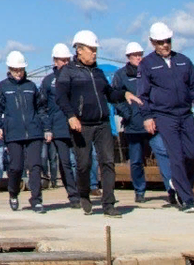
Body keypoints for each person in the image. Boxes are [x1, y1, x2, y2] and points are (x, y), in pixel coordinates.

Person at [55, 30, 138, 217]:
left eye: (95, 49)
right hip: (81, 125)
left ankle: (108, 204)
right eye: (91, 49)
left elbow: (109, 93)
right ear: (79, 50)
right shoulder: (68, 73)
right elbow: (60, 97)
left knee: (108, 162)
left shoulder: (99, 73)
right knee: (84, 164)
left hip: (102, 124)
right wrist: (71, 116)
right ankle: (83, 194)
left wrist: (123, 94)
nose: (94, 53)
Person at [137, 21, 194, 214]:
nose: (165, 45)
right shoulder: (147, 65)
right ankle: (187, 199)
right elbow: (142, 94)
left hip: (185, 115)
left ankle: (178, 186)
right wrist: (147, 117)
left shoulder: (184, 61)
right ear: (152, 42)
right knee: (176, 156)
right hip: (164, 116)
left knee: (193, 154)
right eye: (160, 42)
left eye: (167, 41)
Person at [112, 41, 174, 204]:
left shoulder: (149, 72)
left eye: (140, 55)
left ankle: (171, 189)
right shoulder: (121, 75)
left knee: (163, 155)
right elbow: (116, 98)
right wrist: (128, 114)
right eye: (135, 55)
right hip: (134, 126)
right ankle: (139, 190)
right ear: (128, 57)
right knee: (136, 160)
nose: (139, 58)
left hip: (153, 124)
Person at [0, 51, 51, 212]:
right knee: (16, 167)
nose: (18, 73)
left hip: (34, 131)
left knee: (35, 166)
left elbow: (41, 108)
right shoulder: (3, 86)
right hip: (13, 133)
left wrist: (46, 128)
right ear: (9, 69)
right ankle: (13, 193)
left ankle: (36, 199)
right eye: (15, 69)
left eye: (21, 69)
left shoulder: (31, 86)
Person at [39, 43, 79, 208]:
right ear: (55, 61)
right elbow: (42, 107)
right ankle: (73, 194)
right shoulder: (48, 81)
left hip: (77, 125)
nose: (66, 62)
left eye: (68, 59)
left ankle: (85, 190)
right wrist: (47, 128)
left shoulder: (77, 76)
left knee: (81, 161)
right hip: (59, 126)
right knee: (65, 162)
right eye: (63, 60)